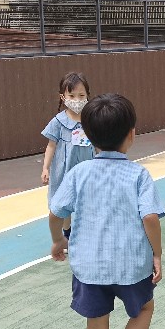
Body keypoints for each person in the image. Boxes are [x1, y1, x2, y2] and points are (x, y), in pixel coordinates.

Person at [49, 93, 165, 329]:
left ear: (87, 136)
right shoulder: (138, 175)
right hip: (131, 264)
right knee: (144, 309)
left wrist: (58, 240)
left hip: (89, 267)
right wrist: (157, 253)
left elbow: (56, 212)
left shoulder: (79, 173)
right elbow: (150, 217)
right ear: (132, 134)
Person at [41, 73, 94, 237]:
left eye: (81, 95)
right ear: (63, 97)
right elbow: (51, 145)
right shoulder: (58, 121)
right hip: (64, 170)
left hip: (87, 168)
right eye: (72, 96)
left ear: (87, 96)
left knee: (89, 199)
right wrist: (45, 168)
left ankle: (88, 230)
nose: (76, 100)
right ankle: (67, 231)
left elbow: (99, 143)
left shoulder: (91, 119)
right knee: (65, 202)